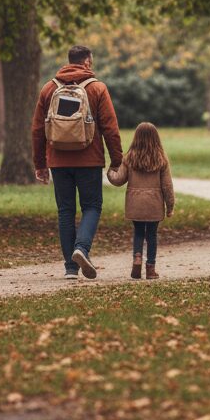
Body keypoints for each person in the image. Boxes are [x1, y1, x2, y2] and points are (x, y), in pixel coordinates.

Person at [32, 45, 123, 280]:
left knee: (65, 211)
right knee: (92, 206)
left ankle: (70, 269)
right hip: (89, 159)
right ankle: (81, 248)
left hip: (58, 160)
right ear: (87, 62)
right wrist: (116, 160)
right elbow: (110, 128)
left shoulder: (49, 88)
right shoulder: (97, 88)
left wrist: (40, 164)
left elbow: (38, 130)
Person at [107, 122, 174, 280]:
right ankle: (150, 269)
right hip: (154, 204)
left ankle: (137, 258)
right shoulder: (161, 159)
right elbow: (167, 186)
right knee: (151, 235)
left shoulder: (129, 158)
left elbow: (118, 180)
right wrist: (170, 206)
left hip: (135, 203)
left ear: (136, 138)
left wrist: (110, 171)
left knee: (138, 232)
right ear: (156, 138)